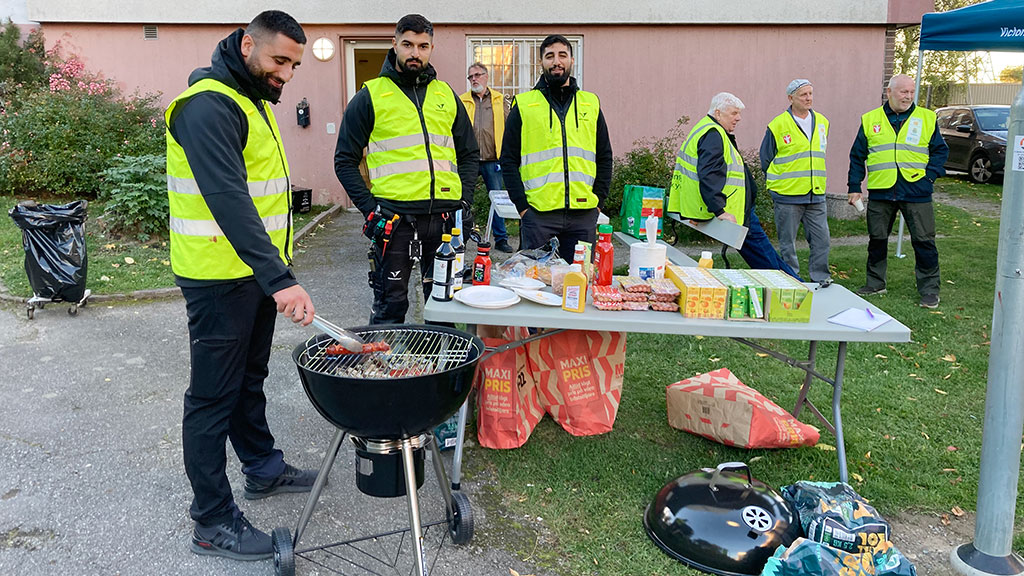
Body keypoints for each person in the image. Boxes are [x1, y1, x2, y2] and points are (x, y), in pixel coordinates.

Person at [165, 10, 317, 561]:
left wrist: (273, 273)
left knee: (248, 379)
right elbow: (228, 197)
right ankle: (211, 520)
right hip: (216, 278)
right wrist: (280, 279)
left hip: (250, 275)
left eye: (294, 65)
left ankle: (263, 468)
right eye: (280, 60)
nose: (287, 74)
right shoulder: (208, 105)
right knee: (211, 397)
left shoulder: (250, 98)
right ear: (247, 44)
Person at [334, 14, 478, 324]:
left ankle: (440, 371)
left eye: (423, 46)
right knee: (390, 306)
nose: (415, 53)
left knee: (444, 305)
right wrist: (370, 210)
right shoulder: (370, 96)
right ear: (394, 44)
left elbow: (469, 154)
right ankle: (384, 369)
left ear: (431, 47)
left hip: (444, 220)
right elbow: (344, 161)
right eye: (408, 44)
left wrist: (464, 199)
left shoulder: (446, 95)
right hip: (394, 221)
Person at [500, 34, 613, 263]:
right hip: (539, 218)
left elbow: (605, 156)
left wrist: (598, 203)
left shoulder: (590, 103)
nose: (556, 61)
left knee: (579, 286)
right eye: (549, 56)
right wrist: (523, 208)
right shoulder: (524, 104)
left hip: (583, 217)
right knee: (536, 288)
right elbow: (508, 160)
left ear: (572, 60)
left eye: (562, 55)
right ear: (541, 62)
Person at [667, 92, 800, 279]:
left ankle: (798, 286)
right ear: (718, 113)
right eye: (734, 113)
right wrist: (718, 210)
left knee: (766, 256)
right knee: (767, 261)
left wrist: (699, 211)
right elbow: (709, 175)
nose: (738, 118)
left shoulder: (708, 129)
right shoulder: (713, 134)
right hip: (732, 213)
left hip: (734, 211)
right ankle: (796, 290)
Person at [848, 74, 948, 308]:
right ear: (889, 92)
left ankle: (930, 290)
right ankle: (875, 283)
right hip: (882, 190)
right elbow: (857, 156)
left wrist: (930, 177)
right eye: (903, 92)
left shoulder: (926, 117)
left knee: (924, 241)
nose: (908, 96)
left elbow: (940, 152)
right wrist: (854, 186)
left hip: (917, 190)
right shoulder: (870, 119)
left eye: (911, 92)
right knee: (877, 239)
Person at [760, 79, 832, 285]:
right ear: (790, 98)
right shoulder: (778, 125)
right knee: (787, 243)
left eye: (810, 93)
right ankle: (792, 278)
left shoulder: (823, 122)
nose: (809, 98)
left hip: (815, 193)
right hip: (787, 194)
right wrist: (778, 184)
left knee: (822, 240)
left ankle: (821, 277)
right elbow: (766, 158)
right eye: (803, 95)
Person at [459, 62, 513, 252]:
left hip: (493, 159)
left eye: (477, 75)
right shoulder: (462, 100)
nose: (473, 79)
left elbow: (510, 128)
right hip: (469, 160)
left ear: (486, 76)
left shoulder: (499, 100)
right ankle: (460, 239)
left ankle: (501, 239)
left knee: (497, 201)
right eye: (470, 76)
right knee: (463, 200)